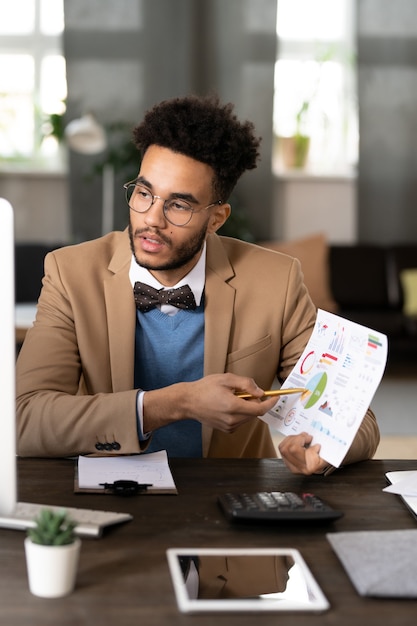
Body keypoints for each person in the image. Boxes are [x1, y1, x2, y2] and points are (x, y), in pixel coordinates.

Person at [16, 94, 379, 474]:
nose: (152, 218)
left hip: (232, 498)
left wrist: (324, 450)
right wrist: (179, 402)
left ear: (217, 218)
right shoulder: (70, 273)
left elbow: (359, 422)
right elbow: (25, 420)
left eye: (178, 205)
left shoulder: (278, 280)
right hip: (111, 492)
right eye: (143, 193)